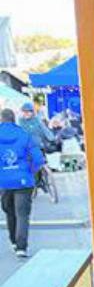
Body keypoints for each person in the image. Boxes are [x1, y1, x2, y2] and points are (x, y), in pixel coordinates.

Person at [0, 107, 45, 259]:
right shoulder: (24, 135)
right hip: (23, 180)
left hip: (4, 182)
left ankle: (13, 241)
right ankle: (21, 247)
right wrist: (30, 171)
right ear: (14, 119)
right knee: (22, 214)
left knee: (9, 211)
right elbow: (38, 159)